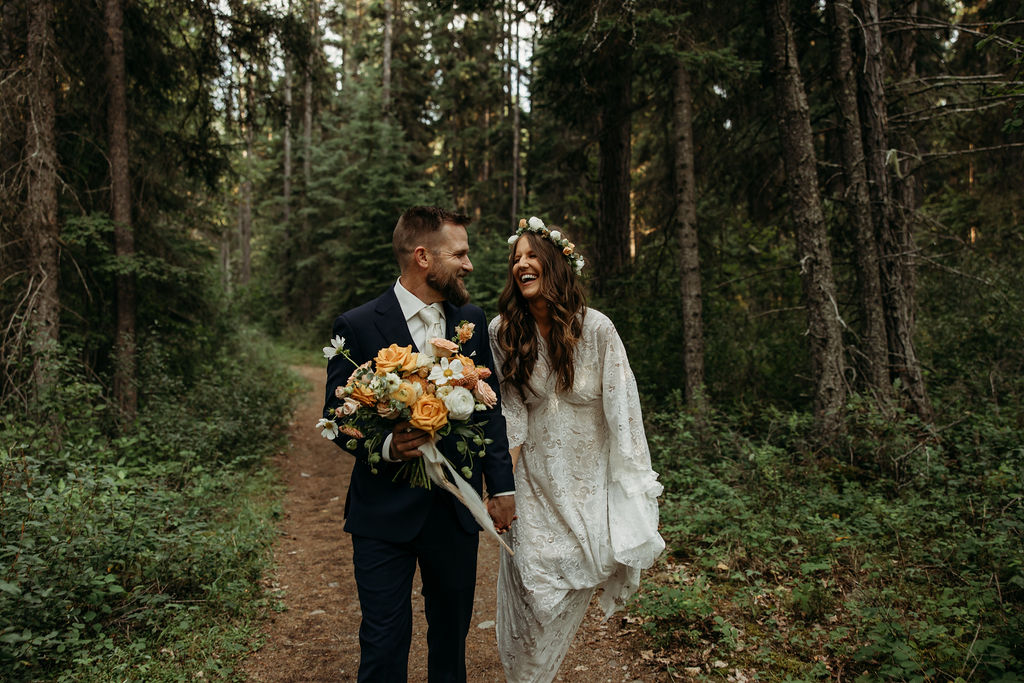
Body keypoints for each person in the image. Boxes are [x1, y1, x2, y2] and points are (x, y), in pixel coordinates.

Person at [323, 206, 516, 683]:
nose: (469, 265)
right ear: (423, 256)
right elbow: (335, 414)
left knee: (450, 640)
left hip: (453, 513)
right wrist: (388, 445)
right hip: (382, 513)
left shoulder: (470, 319)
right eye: (461, 254)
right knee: (384, 641)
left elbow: (489, 410)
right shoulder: (359, 324)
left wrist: (503, 488)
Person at [489, 217, 664, 683]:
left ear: (556, 265)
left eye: (531, 256)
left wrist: (632, 494)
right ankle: (527, 676)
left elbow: (624, 412)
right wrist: (500, 487)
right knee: (531, 596)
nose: (521, 264)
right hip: (532, 484)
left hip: (587, 491)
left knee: (570, 590)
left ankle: (536, 673)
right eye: (515, 258)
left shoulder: (598, 330)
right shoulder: (502, 332)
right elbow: (511, 412)